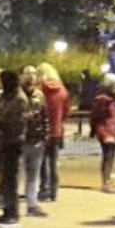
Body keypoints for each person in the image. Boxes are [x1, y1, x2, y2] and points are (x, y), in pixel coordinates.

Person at [0, 70, 26, 228]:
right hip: (4, 141)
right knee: (5, 179)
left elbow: (15, 121)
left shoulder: (18, 99)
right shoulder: (7, 96)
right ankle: (6, 210)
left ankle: (13, 212)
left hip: (13, 141)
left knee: (10, 179)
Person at [19, 69, 52, 218]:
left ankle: (32, 204)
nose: (30, 76)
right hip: (19, 140)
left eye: (33, 73)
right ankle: (11, 204)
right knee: (16, 174)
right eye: (27, 73)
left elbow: (45, 116)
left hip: (36, 140)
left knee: (34, 174)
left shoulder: (39, 95)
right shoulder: (14, 95)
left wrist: (45, 135)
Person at [38, 64, 69, 202]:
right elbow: (67, 111)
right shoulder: (63, 91)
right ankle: (54, 190)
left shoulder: (40, 91)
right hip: (57, 130)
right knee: (53, 161)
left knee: (43, 162)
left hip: (43, 130)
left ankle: (43, 190)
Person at [91, 73, 115, 192]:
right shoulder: (103, 100)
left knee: (111, 155)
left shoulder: (113, 100)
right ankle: (106, 182)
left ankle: (107, 179)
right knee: (108, 155)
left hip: (113, 129)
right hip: (106, 130)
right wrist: (94, 128)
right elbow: (95, 115)